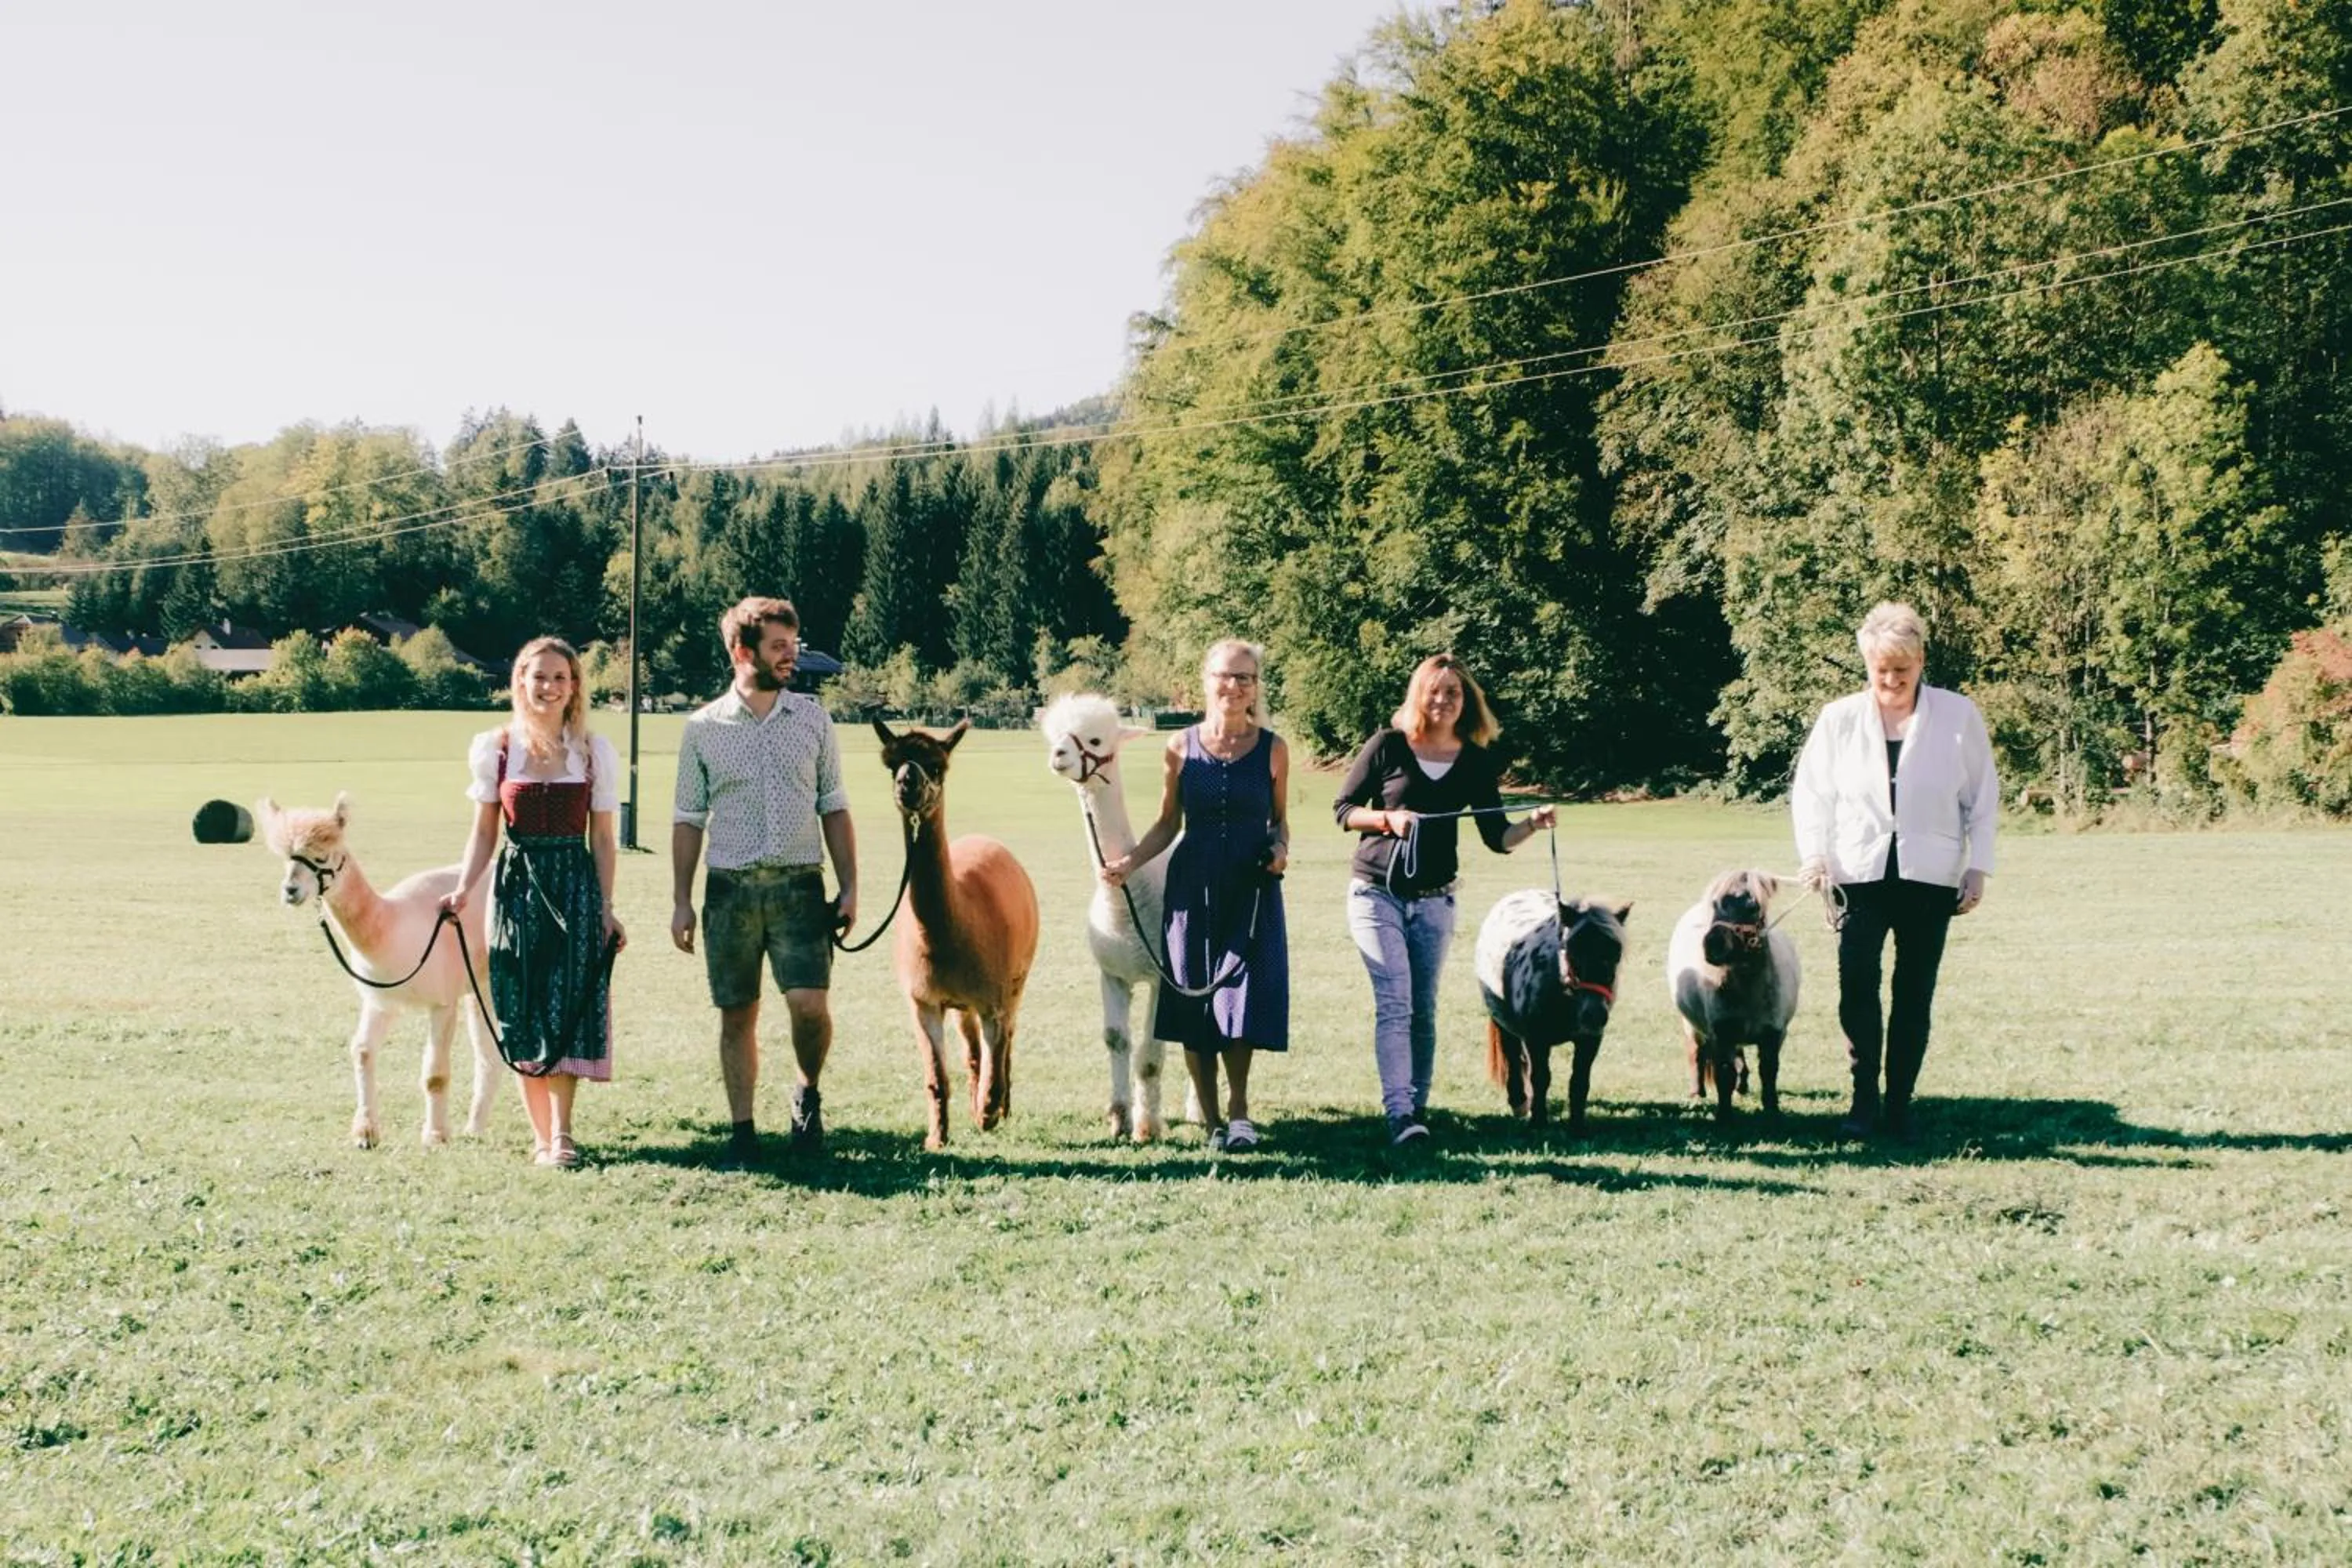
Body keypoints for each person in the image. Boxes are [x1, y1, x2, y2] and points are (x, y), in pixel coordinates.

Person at [1792, 601, 1998, 1139]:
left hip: (1930, 877)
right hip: (1855, 874)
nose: (1891, 679)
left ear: (1921, 660)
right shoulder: (1838, 720)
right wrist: (1814, 854)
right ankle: (1864, 1101)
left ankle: (1900, 1103)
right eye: (1881, 669)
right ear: (1867, 665)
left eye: (1901, 669)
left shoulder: (1958, 716)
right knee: (1857, 988)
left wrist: (1979, 867)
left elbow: (1983, 798)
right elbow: (1812, 793)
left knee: (1913, 993)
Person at [1334, 653, 1556, 1146]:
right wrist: (1388, 820)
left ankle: (1417, 1106)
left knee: (1423, 1008)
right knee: (1395, 1003)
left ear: (1467, 701)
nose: (1442, 700)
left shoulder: (1474, 759)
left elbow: (1496, 836)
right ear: (1419, 695)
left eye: (1453, 692)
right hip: (1377, 893)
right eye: (1433, 691)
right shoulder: (1388, 746)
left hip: (1436, 899)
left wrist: (1533, 826)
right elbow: (1343, 810)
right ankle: (1399, 1115)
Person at [670, 597, 858, 1163]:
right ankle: (743, 1131)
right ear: (740, 650)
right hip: (728, 891)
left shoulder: (813, 719)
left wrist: (849, 886)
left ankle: (807, 1094)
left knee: (809, 1006)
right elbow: (687, 818)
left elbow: (835, 806)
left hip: (801, 887)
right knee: (737, 1014)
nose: (790, 656)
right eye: (778, 646)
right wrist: (681, 901)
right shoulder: (702, 728)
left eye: (792, 645)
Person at [441, 636, 626, 1169]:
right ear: (520, 681)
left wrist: (607, 906)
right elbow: (483, 833)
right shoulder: (496, 749)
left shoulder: (592, 752)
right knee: (522, 1008)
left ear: (574, 688)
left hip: (574, 886)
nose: (548, 686)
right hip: (516, 887)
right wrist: (463, 887)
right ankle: (541, 1136)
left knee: (565, 1006)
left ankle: (563, 1134)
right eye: (538, 676)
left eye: (559, 677)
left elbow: (604, 839)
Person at [1102, 639, 1289, 1152]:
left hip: (1252, 891)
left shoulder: (1274, 748)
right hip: (1192, 891)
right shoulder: (1180, 747)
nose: (1234, 686)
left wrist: (1280, 849)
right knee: (1195, 1006)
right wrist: (1129, 863)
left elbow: (1280, 823)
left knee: (1242, 1002)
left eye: (1245, 678)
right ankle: (1210, 1123)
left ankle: (1239, 1111)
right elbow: (1168, 824)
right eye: (1225, 676)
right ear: (1206, 681)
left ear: (1256, 688)